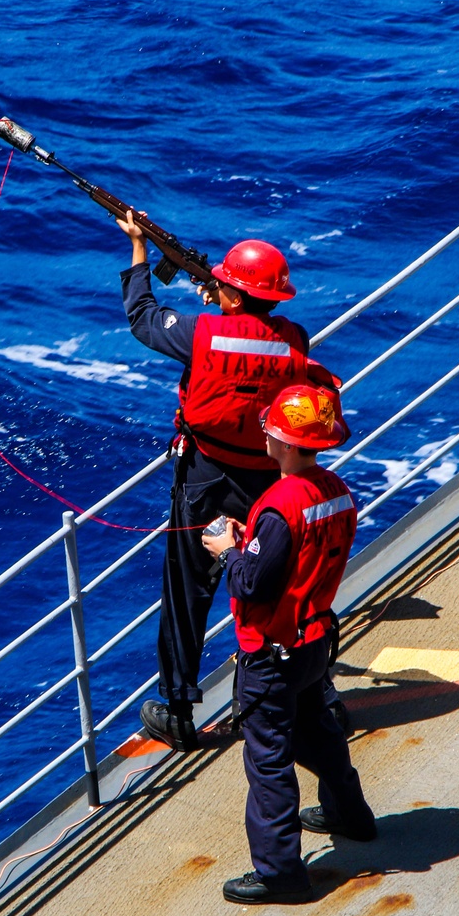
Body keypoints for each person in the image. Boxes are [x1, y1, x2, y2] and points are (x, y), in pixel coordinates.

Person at [117, 209, 340, 752]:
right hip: (267, 477)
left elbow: (143, 318)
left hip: (205, 474)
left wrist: (139, 249)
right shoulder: (294, 340)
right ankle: (291, 683)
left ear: (233, 294)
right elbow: (252, 348)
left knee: (187, 590)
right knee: (269, 580)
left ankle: (176, 708)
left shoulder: (202, 331)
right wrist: (223, 302)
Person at [201, 383, 376, 905]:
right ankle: (350, 814)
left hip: (272, 651)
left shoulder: (279, 506)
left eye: (273, 430)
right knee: (316, 730)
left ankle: (281, 872)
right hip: (314, 640)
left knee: (268, 757)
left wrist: (227, 551)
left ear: (284, 442)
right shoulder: (338, 491)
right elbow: (297, 557)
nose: (267, 435)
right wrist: (249, 545)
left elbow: (252, 583)